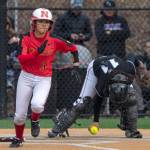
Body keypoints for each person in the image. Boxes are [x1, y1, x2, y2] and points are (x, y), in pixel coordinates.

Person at [10, 8, 80, 147]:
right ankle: (19, 138)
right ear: (33, 23)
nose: (44, 25)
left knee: (37, 105)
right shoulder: (25, 38)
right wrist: (36, 53)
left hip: (44, 78)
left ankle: (35, 120)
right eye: (40, 21)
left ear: (50, 25)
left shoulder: (54, 40)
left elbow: (72, 48)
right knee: (19, 116)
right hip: (26, 77)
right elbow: (22, 60)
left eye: (47, 22)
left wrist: (76, 63)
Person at [47, 54, 149, 139]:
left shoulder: (130, 69)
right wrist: (96, 120)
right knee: (82, 103)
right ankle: (57, 128)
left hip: (116, 71)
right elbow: (98, 99)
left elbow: (132, 56)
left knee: (131, 99)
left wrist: (142, 67)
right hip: (96, 68)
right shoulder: (103, 83)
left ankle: (132, 131)